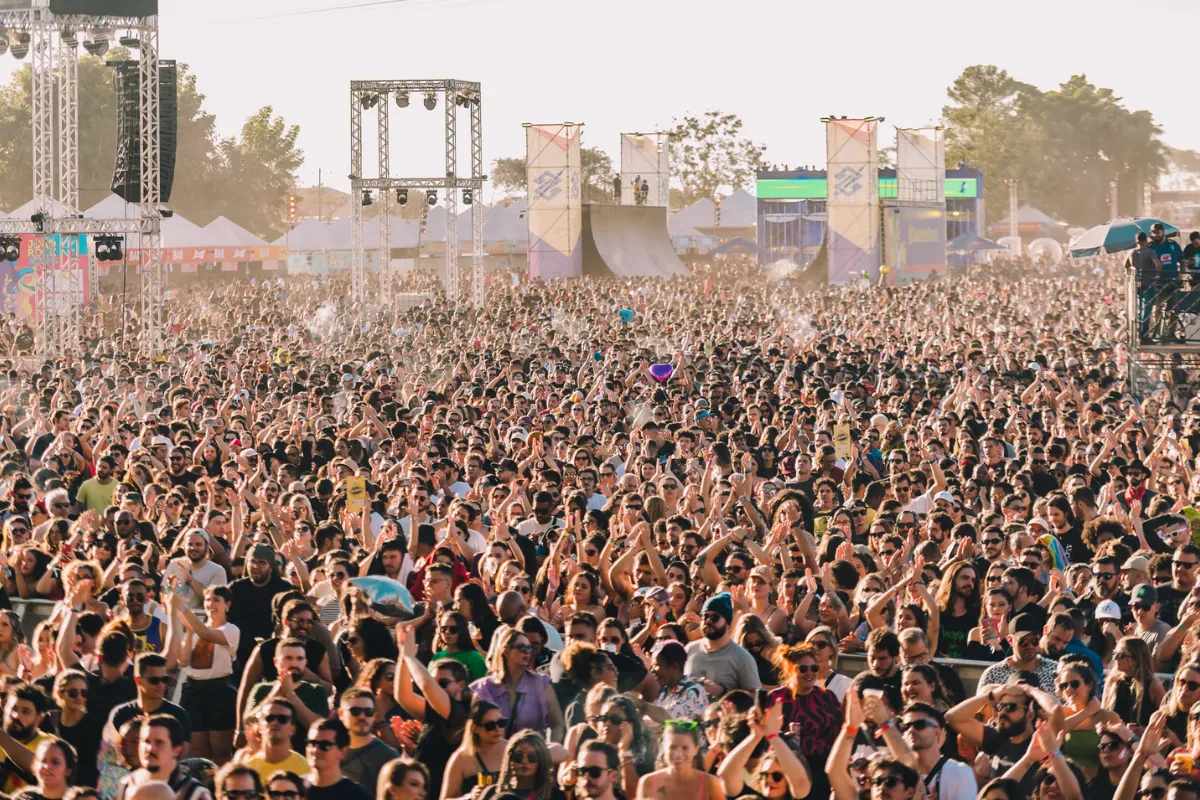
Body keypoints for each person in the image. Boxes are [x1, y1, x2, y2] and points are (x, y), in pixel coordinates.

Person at [173, 585, 240, 764]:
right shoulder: (196, 629)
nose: (211, 604)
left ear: (227, 605)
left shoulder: (231, 630)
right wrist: (188, 632)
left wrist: (184, 608)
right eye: (208, 600)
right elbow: (184, 661)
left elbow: (207, 634)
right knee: (197, 752)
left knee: (221, 752)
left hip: (220, 691)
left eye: (216, 600)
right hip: (194, 691)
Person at [470, 628, 564, 743]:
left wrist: (548, 752)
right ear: (505, 651)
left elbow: (557, 725)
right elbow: (474, 731)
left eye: (529, 648)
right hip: (494, 756)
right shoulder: (483, 689)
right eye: (521, 647)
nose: (527, 651)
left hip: (532, 756)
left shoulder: (541, 684)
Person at [116, 715, 212, 800]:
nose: (150, 748)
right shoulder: (127, 784)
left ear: (176, 750)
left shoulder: (195, 794)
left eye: (159, 742)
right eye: (146, 741)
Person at [683, 593, 760, 698]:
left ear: (727, 623)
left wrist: (724, 693)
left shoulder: (742, 658)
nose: (708, 621)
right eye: (705, 616)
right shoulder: (689, 649)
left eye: (715, 617)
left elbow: (755, 698)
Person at [633, 720, 722, 799]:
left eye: (685, 748)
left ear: (695, 749)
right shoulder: (648, 782)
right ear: (664, 747)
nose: (678, 755)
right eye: (673, 747)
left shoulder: (711, 784)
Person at [336, 689, 398, 796]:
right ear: (341, 714)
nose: (362, 716)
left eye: (368, 712)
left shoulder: (389, 757)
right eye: (355, 711)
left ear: (374, 716)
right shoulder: (327, 749)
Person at [440, 700, 505, 800]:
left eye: (501, 723)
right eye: (490, 726)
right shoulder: (461, 758)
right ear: (475, 728)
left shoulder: (511, 749)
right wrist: (470, 797)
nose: (497, 729)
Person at [243, 700, 311, 785]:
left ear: (292, 729)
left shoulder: (306, 769)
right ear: (260, 727)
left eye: (283, 719)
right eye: (269, 718)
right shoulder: (248, 769)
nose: (275, 722)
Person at [303, 720, 369, 800]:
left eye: (325, 745)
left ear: (342, 752)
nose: (315, 750)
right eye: (312, 743)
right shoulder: (295, 788)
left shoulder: (357, 796)